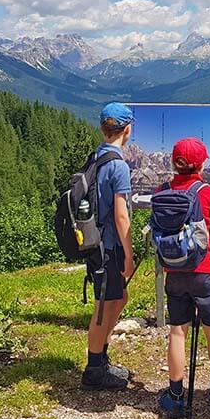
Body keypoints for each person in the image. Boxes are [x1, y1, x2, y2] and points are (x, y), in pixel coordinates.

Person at [157, 137, 210, 418]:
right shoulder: (209, 192)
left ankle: (176, 395)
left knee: (178, 330)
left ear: (174, 163)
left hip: (174, 271)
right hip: (205, 271)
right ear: (201, 164)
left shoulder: (161, 190)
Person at [81, 102, 136, 391]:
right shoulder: (118, 166)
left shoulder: (96, 156)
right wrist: (129, 253)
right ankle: (94, 369)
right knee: (104, 306)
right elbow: (121, 214)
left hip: (95, 243)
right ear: (127, 129)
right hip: (109, 247)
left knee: (119, 298)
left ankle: (100, 359)